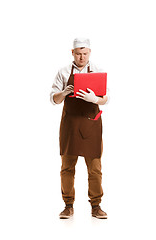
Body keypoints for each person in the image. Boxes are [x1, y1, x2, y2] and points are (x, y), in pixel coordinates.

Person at [50, 38, 109, 219]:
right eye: (78, 54)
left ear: (89, 52)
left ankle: (96, 206)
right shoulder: (63, 72)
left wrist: (95, 99)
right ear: (72, 53)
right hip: (70, 125)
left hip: (91, 124)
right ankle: (68, 205)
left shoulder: (97, 71)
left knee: (95, 168)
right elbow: (54, 99)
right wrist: (65, 92)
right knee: (67, 167)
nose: (82, 57)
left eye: (85, 54)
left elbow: (106, 99)